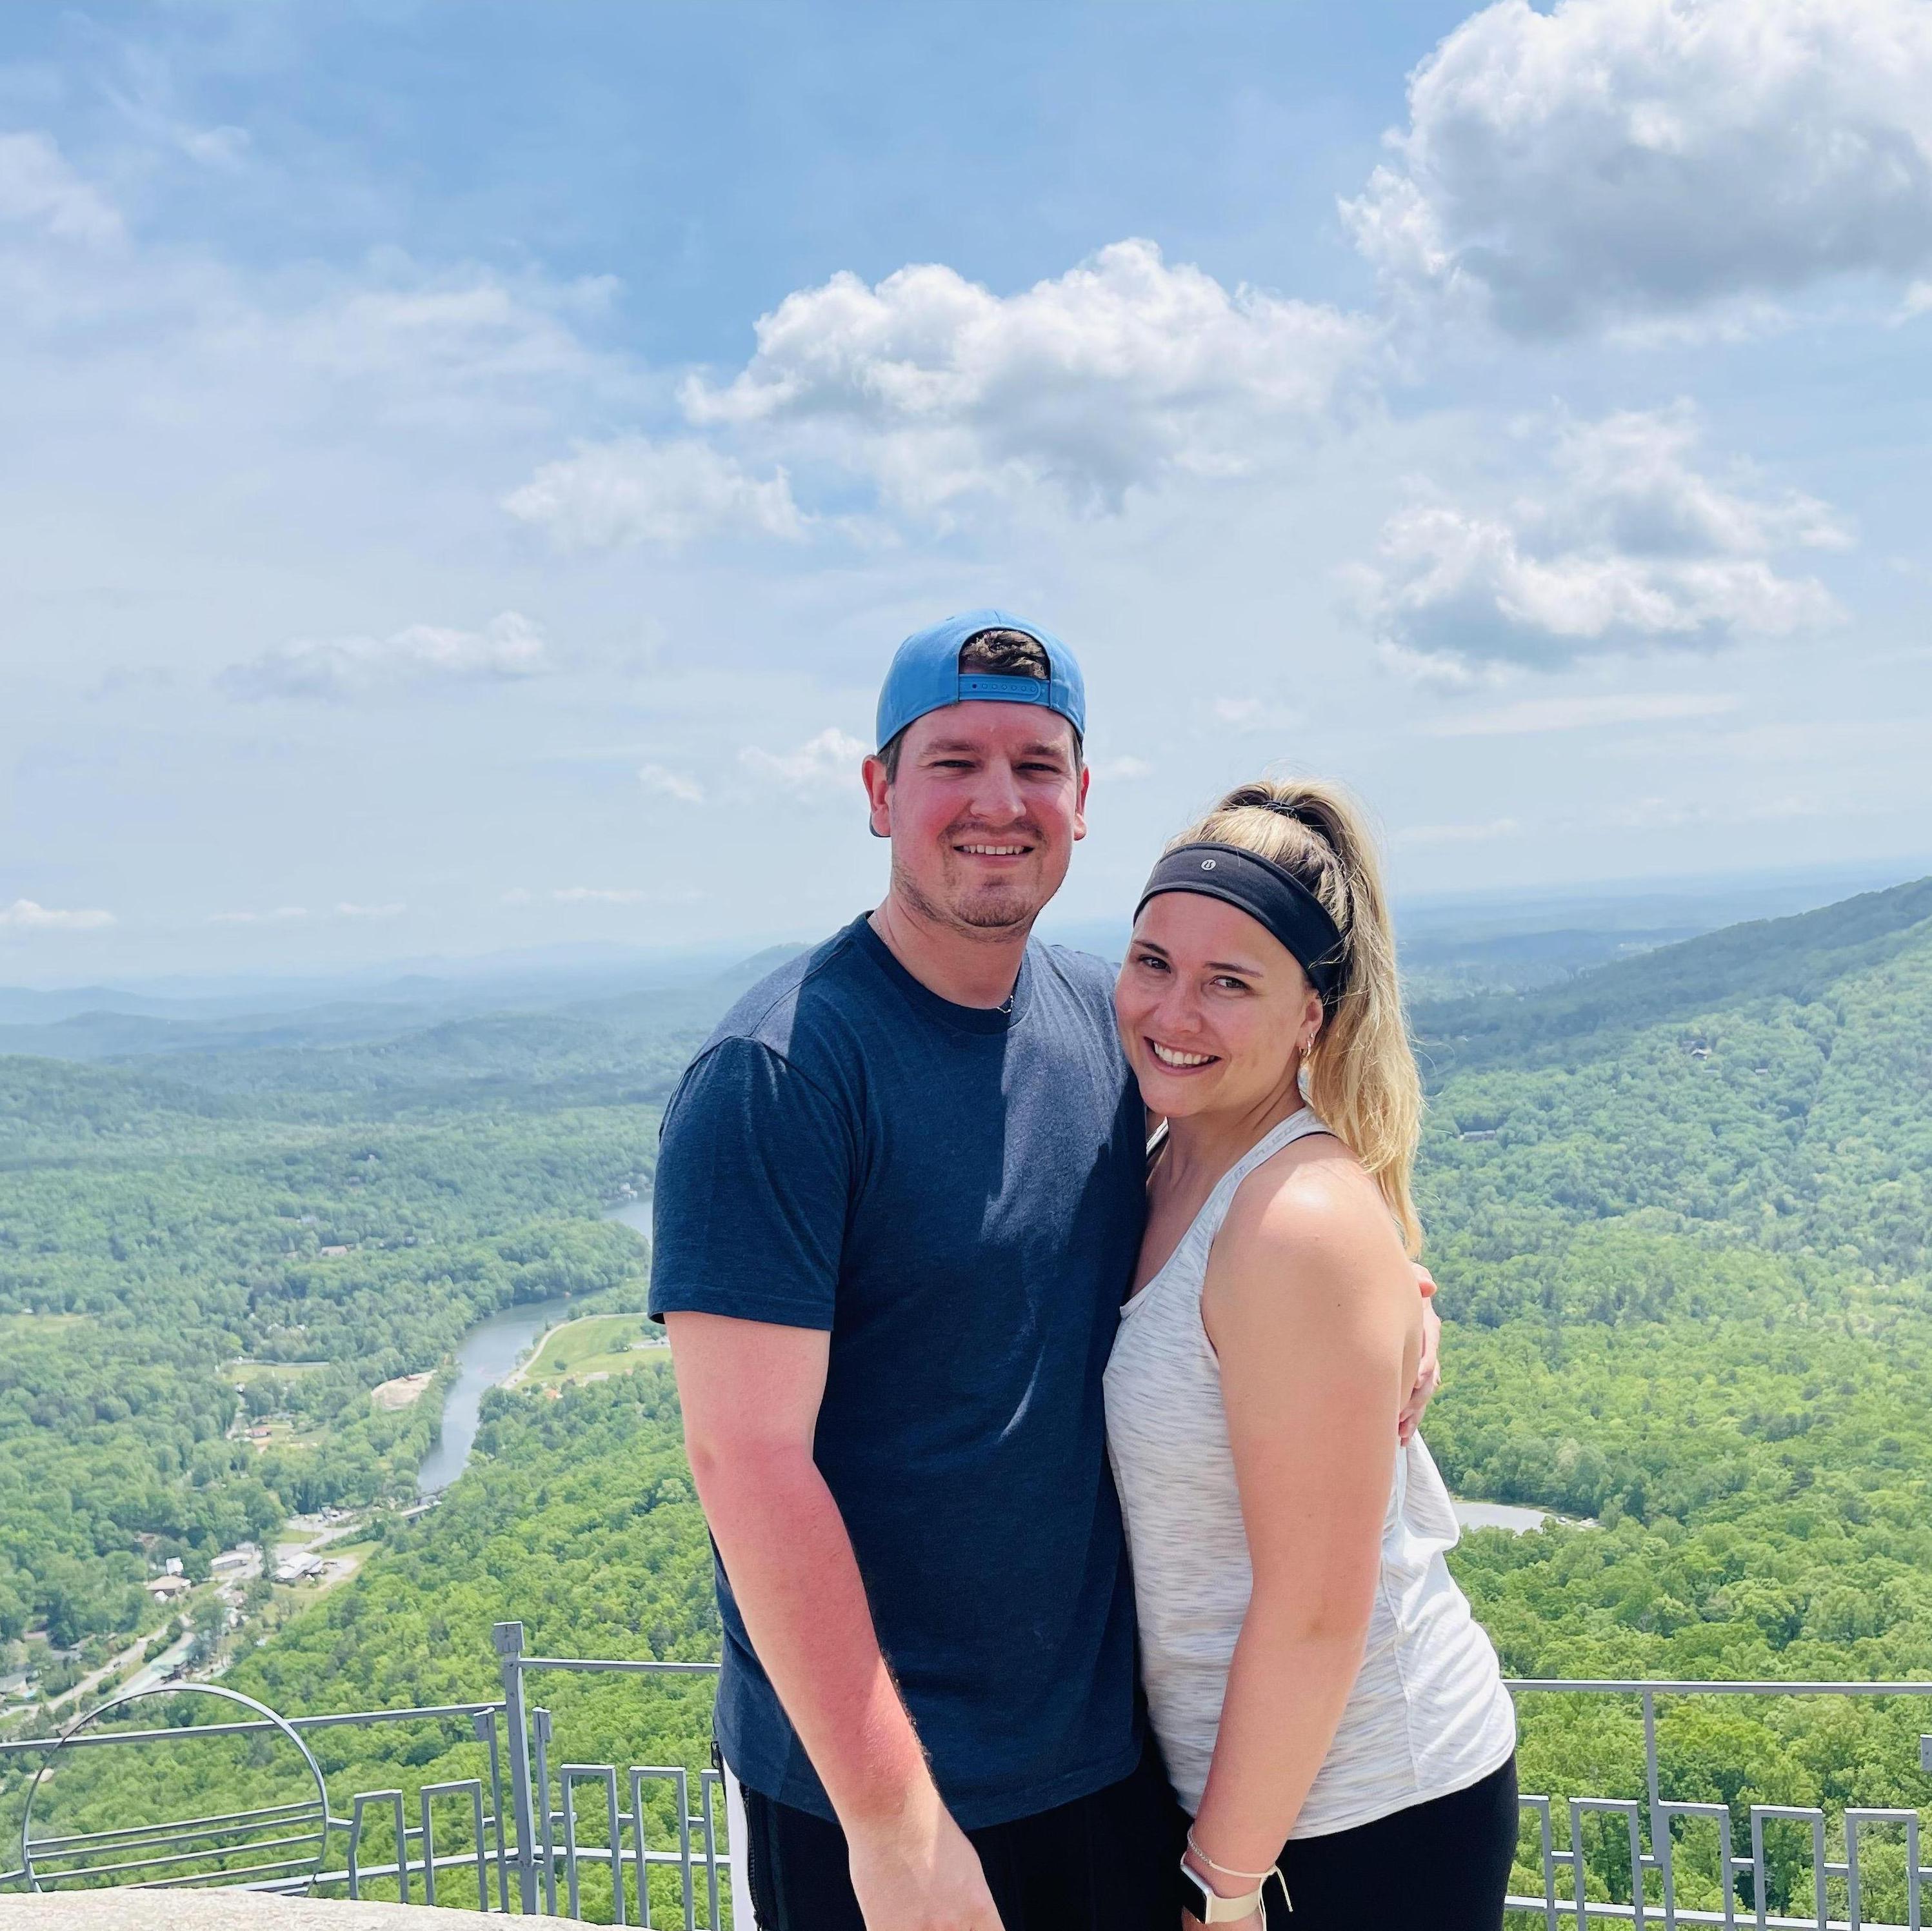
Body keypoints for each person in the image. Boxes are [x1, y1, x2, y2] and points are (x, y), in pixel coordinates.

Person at [650, 613, 1440, 1931]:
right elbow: (747, 1463)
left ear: (1080, 801)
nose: (998, 803)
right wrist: (897, 1832)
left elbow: (1253, 1202)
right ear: (877, 794)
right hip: (876, 1800)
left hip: (1101, 1769)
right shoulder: (781, 1074)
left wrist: (1400, 1297)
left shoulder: (1101, 1019)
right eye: (953, 761)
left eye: (1037, 763)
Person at [1103, 778, 1519, 1931]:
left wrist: (1221, 1886)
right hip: (1243, 1799)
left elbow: (1319, 1608)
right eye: (1153, 962)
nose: (1174, 1010)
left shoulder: (1292, 1219)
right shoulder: (1159, 1159)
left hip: (1362, 1817)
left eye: (1229, 981)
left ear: (1311, 1019)